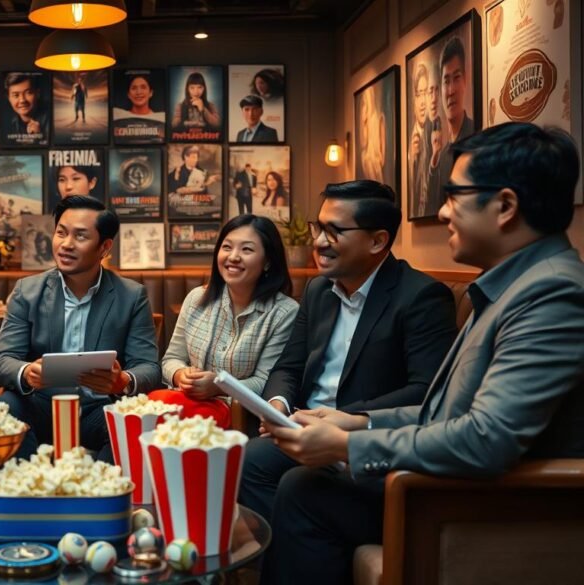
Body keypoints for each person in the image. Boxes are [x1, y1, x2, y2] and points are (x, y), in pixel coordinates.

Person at [259, 122, 584, 585]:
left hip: (484, 509)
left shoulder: (550, 294)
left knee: (305, 491)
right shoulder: (512, 282)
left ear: (506, 206)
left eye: (454, 195)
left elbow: (486, 439)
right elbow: (445, 411)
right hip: (448, 490)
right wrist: (359, 422)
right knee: (300, 487)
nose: (442, 211)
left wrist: (350, 446)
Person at [239, 179, 458, 522]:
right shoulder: (318, 290)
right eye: (318, 227)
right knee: (250, 459)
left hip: (365, 442)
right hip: (306, 430)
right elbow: (288, 366)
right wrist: (277, 405)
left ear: (377, 240)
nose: (318, 241)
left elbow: (426, 391)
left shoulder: (421, 297)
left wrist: (348, 420)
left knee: (300, 486)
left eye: (334, 231)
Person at [0, 195, 161, 461]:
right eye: (61, 233)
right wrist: (26, 373)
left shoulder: (131, 296)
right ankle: (29, 488)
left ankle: (98, 492)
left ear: (104, 246)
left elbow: (149, 367)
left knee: (133, 424)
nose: (66, 244)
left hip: (99, 409)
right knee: (5, 407)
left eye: (80, 236)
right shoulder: (28, 291)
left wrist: (122, 380)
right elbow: (2, 360)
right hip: (42, 406)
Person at [150, 215, 299, 428]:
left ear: (267, 262)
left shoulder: (284, 312)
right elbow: (171, 359)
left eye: (247, 250)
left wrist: (219, 386)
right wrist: (180, 374)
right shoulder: (196, 299)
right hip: (185, 408)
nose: (234, 257)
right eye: (227, 247)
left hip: (242, 420)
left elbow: (266, 383)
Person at [427, 36, 474, 216]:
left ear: (465, 81)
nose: (451, 90)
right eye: (446, 81)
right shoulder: (444, 153)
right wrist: (434, 158)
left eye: (456, 78)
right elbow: (434, 207)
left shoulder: (475, 141)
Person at [409, 63, 434, 217]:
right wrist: (412, 158)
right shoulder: (411, 141)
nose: (423, 102)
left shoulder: (435, 134)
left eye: (426, 93)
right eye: (419, 94)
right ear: (413, 100)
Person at [4, 72, 50, 139]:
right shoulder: (8, 125)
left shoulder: (51, 119)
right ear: (9, 98)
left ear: (37, 93)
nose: (22, 100)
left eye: (28, 93)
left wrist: (39, 136)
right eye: (16, 95)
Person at [358, 85, 386, 183]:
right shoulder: (365, 156)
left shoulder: (377, 121)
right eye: (362, 105)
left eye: (365, 104)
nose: (363, 110)